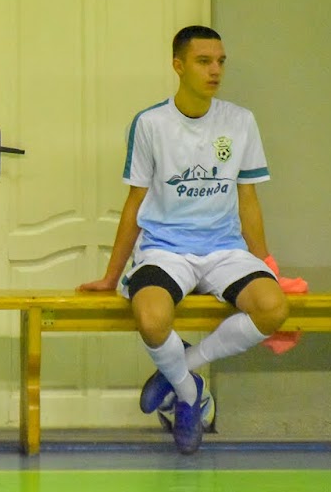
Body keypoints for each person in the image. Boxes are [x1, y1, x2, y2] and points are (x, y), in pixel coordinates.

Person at [79, 25, 289, 455]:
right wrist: (111, 275)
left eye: (221, 62)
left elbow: (248, 198)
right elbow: (135, 202)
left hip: (224, 248)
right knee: (153, 320)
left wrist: (265, 262)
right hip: (165, 248)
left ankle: (181, 369)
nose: (215, 70)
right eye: (203, 61)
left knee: (273, 308)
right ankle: (190, 393)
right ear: (178, 66)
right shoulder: (151, 124)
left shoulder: (240, 121)